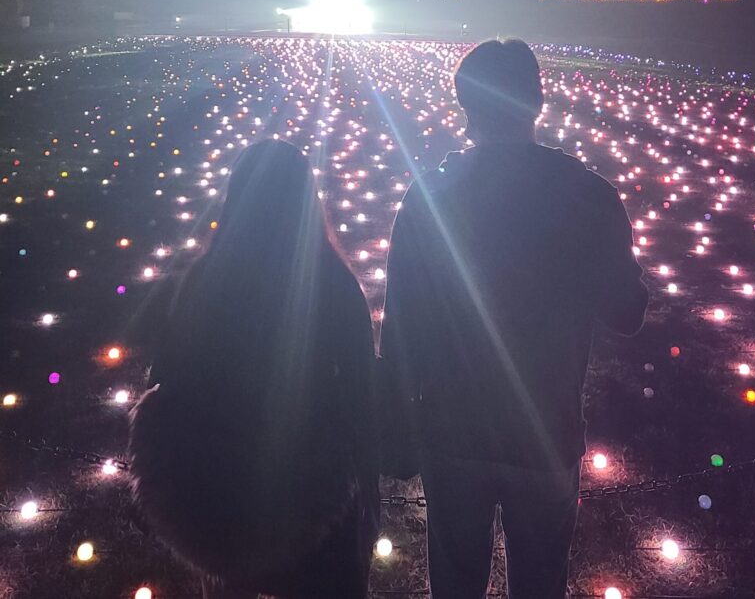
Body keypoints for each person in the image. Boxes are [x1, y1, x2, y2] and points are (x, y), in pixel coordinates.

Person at [379, 39, 648, 599]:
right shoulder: (588, 195)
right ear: (537, 102)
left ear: (465, 107)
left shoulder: (430, 196)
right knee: (541, 581)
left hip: (452, 432)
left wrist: (398, 420)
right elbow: (627, 313)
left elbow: (401, 325)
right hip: (543, 430)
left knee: (455, 582)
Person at [129, 139, 379, 599]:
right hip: (310, 495)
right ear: (308, 202)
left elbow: (167, 378)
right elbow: (363, 391)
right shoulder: (335, 284)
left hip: (220, 497)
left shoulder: (203, 281)